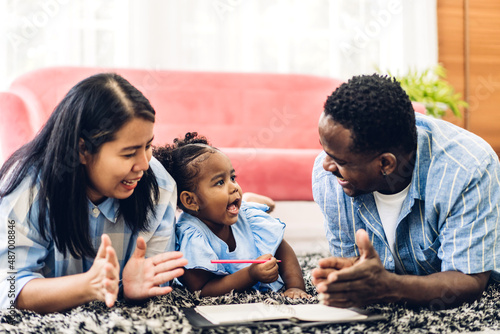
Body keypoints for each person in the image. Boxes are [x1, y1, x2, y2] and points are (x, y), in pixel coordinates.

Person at [0, 73, 188, 313]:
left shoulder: (159, 187)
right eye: (129, 153)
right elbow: (9, 284)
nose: (143, 164)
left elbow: (157, 280)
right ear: (82, 149)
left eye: (148, 146)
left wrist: (131, 289)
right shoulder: (28, 188)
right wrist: (87, 286)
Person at [311, 74, 500, 309]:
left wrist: (388, 287)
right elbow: (353, 261)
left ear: (386, 164)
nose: (325, 166)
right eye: (325, 151)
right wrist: (348, 277)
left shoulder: (467, 168)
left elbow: (468, 279)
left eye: (339, 161)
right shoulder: (328, 179)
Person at [153, 132, 309, 298]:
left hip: (240, 214)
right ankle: (254, 200)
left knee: (250, 213)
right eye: (220, 182)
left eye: (232, 178)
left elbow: (283, 250)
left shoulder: (247, 218)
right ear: (191, 201)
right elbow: (202, 290)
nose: (234, 187)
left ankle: (254, 201)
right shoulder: (190, 236)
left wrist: (295, 286)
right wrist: (250, 275)